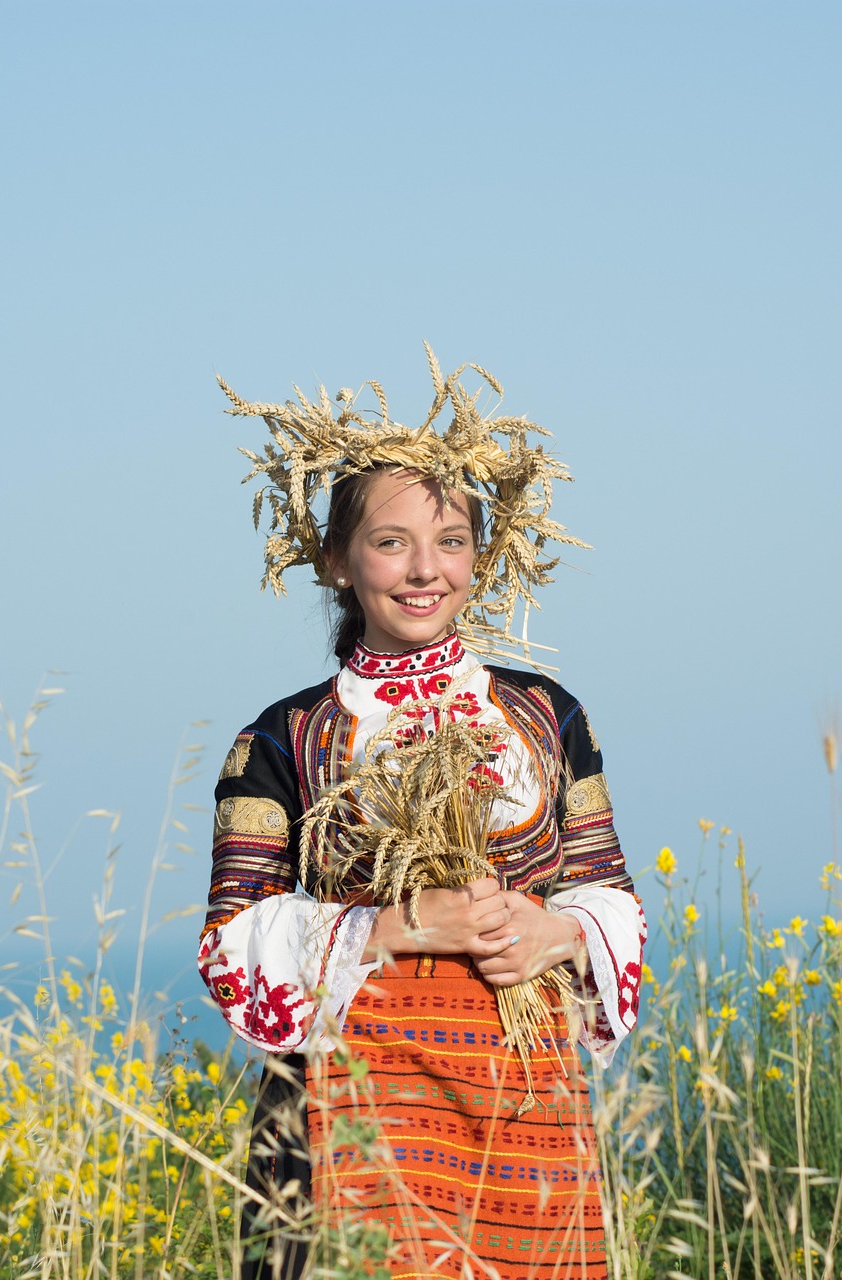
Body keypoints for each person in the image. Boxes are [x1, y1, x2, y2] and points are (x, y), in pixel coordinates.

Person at [199, 351, 646, 1280]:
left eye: (448, 540)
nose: (423, 571)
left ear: (480, 555)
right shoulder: (281, 738)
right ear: (334, 558)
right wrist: (392, 927)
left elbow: (608, 892)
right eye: (390, 541)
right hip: (347, 1106)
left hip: (525, 1104)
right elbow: (229, 942)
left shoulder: (548, 714)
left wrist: (554, 932)